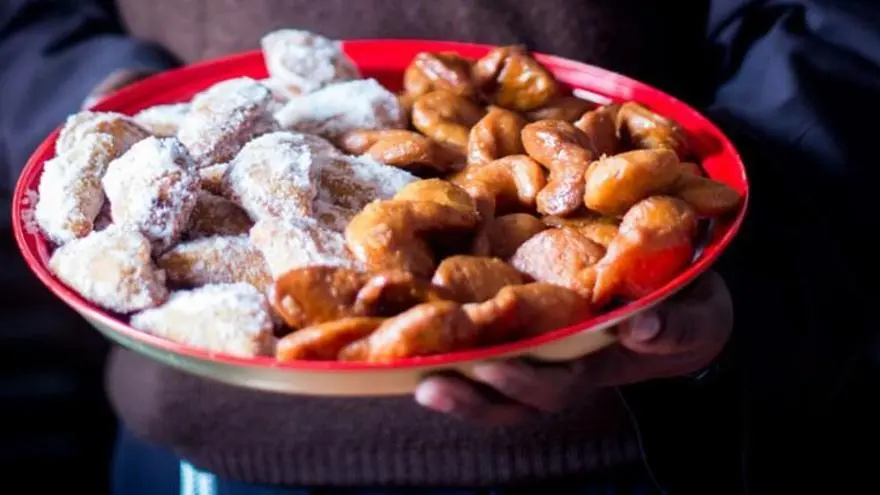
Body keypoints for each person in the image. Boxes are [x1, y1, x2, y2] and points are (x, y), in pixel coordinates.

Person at [0, 0, 875, 493]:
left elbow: (837, 30)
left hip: (638, 446)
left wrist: (758, 263)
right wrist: (105, 116)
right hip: (197, 432)